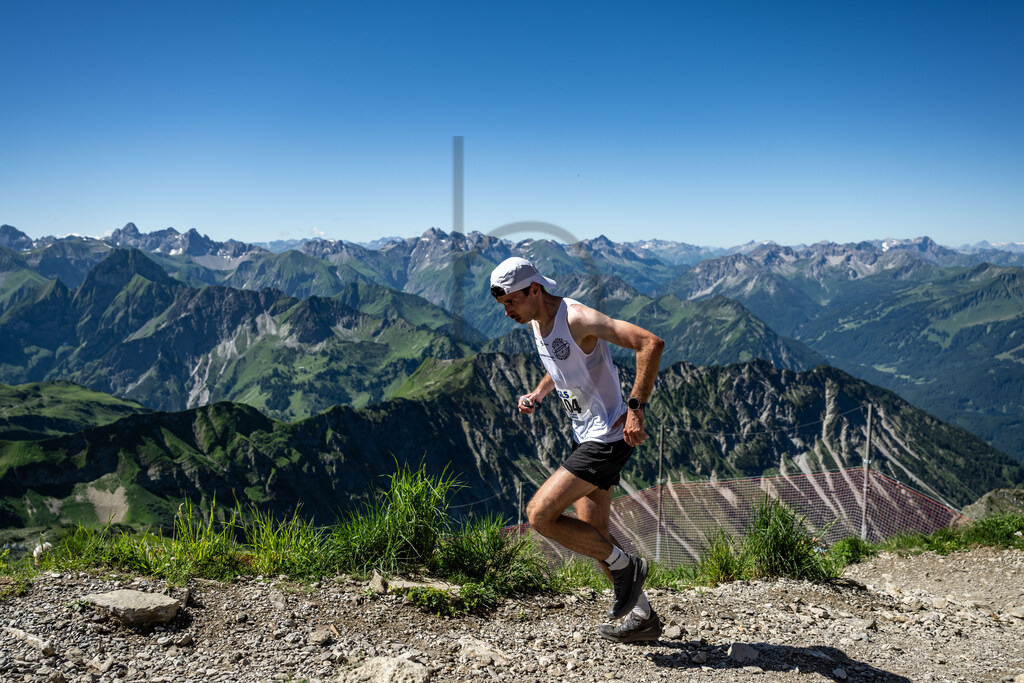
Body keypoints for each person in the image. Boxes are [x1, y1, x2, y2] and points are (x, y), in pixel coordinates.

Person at [489, 256, 665, 643]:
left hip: (608, 436)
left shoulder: (578, 318)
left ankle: (629, 568)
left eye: (511, 303)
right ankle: (643, 616)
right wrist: (538, 393)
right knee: (593, 532)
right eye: (503, 306)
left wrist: (636, 409)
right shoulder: (536, 321)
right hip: (584, 432)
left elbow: (649, 343)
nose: (507, 313)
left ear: (534, 289)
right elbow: (560, 367)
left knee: (539, 515)